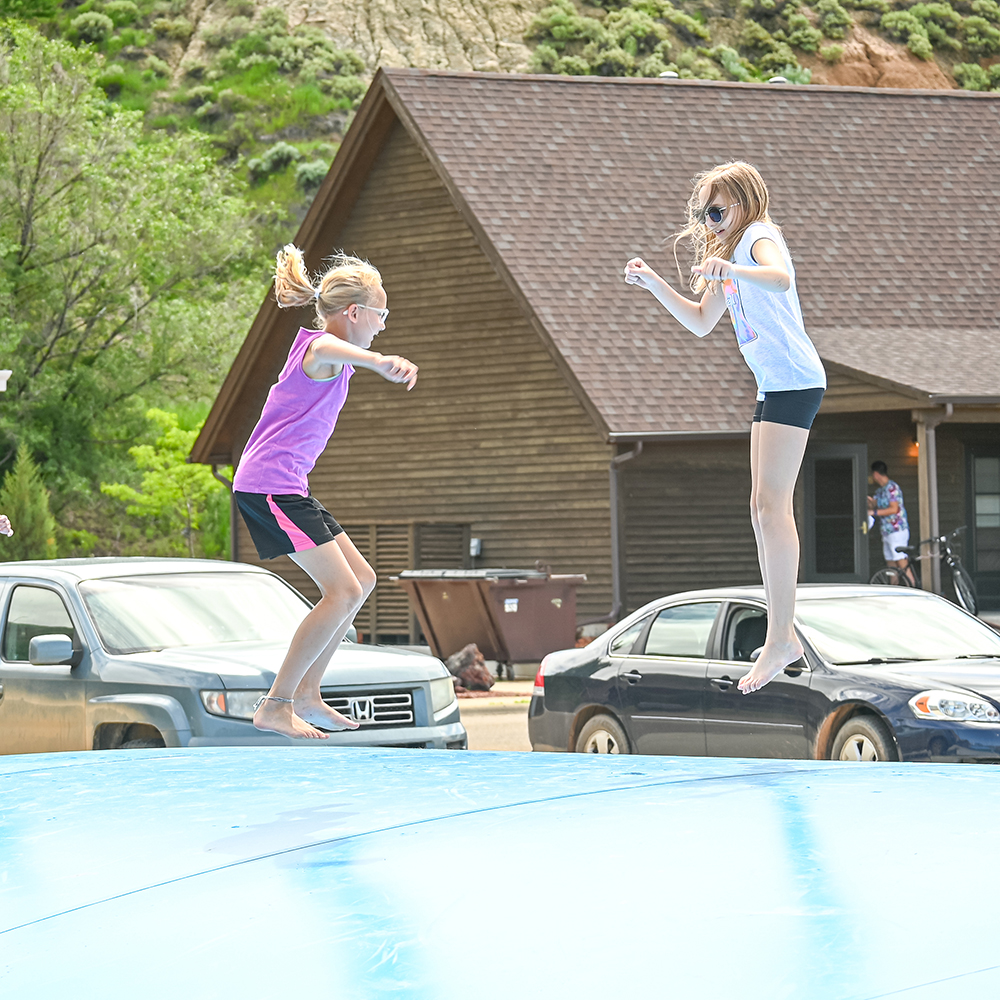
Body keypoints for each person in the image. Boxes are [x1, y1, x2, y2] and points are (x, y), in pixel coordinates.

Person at [623, 161, 826, 694]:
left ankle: (782, 638)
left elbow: (781, 279)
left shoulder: (757, 237)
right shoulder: (727, 253)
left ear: (742, 204)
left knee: (773, 508)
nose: (708, 222)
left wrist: (734, 270)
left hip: (795, 380)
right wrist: (653, 283)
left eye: (715, 212)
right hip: (772, 385)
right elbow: (700, 321)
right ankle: (781, 635)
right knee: (760, 508)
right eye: (703, 215)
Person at [233, 246, 418, 740]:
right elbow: (332, 350)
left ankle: (308, 693)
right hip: (268, 487)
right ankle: (276, 704)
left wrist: (372, 359)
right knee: (343, 591)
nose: (382, 326)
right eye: (381, 316)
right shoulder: (319, 351)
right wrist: (379, 361)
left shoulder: (326, 354)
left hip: (289, 487)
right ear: (355, 313)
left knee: (362, 579)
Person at [868, 461, 915, 585]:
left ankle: (913, 587)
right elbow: (875, 505)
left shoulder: (892, 488)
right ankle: (894, 589)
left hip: (896, 530)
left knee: (901, 562)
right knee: (891, 565)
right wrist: (870, 503)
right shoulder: (880, 491)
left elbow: (894, 509)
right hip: (886, 532)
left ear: (876, 474)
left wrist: (874, 512)